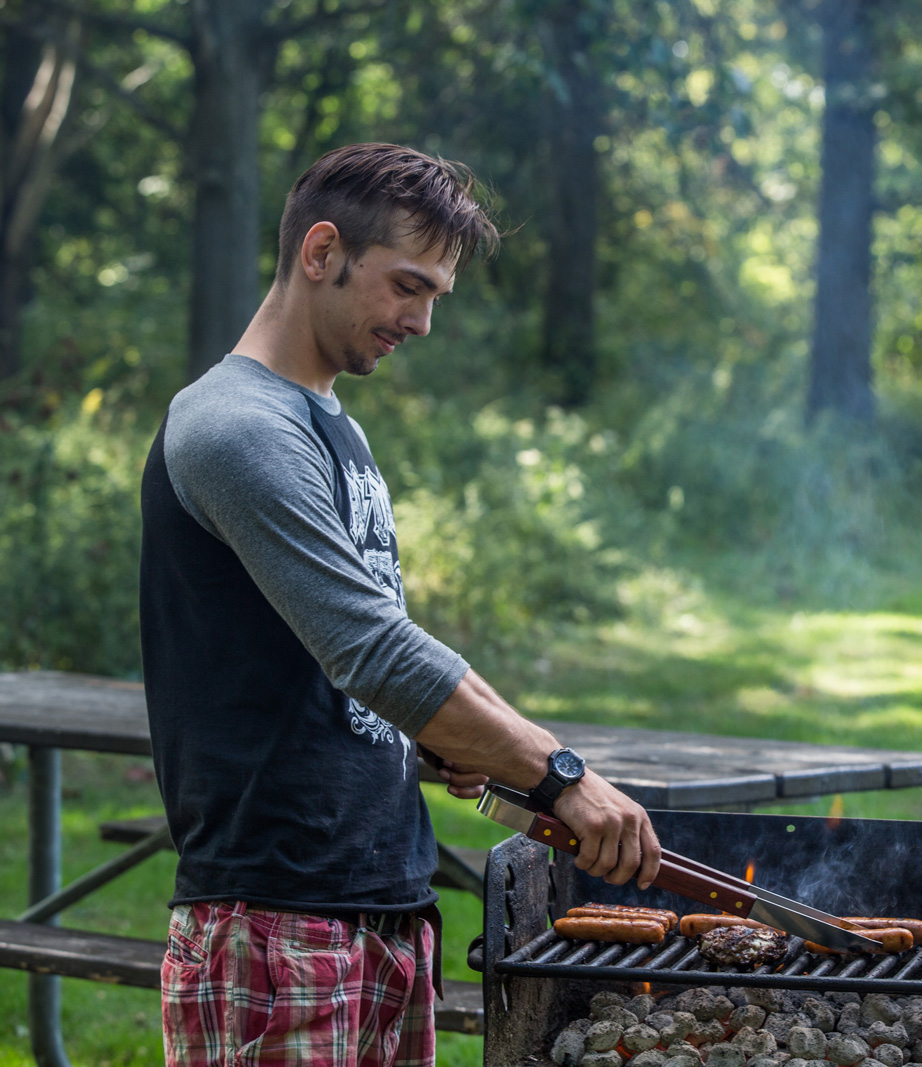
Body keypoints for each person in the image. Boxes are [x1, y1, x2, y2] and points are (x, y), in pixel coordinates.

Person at [139, 143, 661, 1067]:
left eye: (435, 298)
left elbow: (335, 655)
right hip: (275, 920)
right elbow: (372, 649)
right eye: (406, 287)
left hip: (382, 902)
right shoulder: (236, 427)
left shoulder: (328, 420)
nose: (420, 322)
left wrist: (440, 739)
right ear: (321, 251)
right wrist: (564, 773)